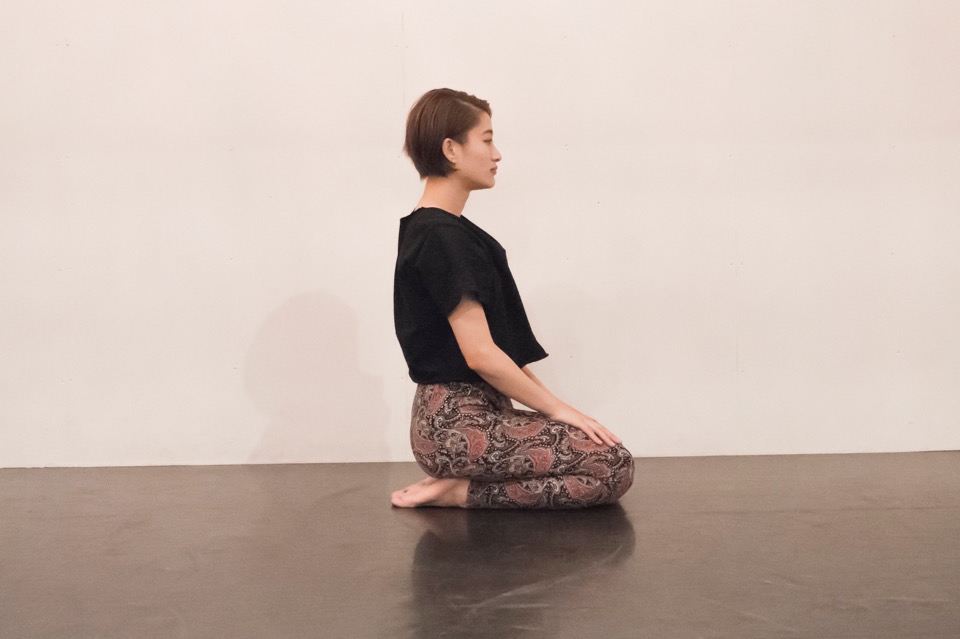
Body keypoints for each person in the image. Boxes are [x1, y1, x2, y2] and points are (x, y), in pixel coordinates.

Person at [391, 88, 634, 509]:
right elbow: (482, 355)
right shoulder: (441, 236)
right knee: (611, 466)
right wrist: (558, 411)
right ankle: (460, 492)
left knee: (607, 455)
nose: (497, 154)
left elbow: (499, 352)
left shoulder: (445, 231)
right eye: (486, 140)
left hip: (471, 417)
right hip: (454, 427)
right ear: (451, 149)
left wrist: (562, 410)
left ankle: (458, 487)